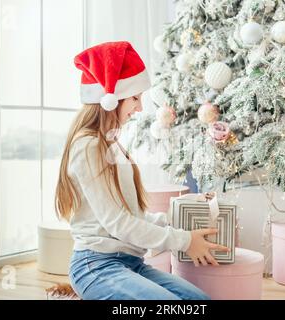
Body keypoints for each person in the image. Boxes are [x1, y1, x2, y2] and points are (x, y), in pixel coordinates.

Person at [54, 41, 229, 300]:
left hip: (131, 263)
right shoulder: (88, 146)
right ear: (109, 100)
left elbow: (131, 215)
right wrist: (184, 240)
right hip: (96, 265)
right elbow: (118, 223)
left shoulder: (112, 145)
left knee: (198, 301)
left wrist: (177, 213)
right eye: (135, 97)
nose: (139, 108)